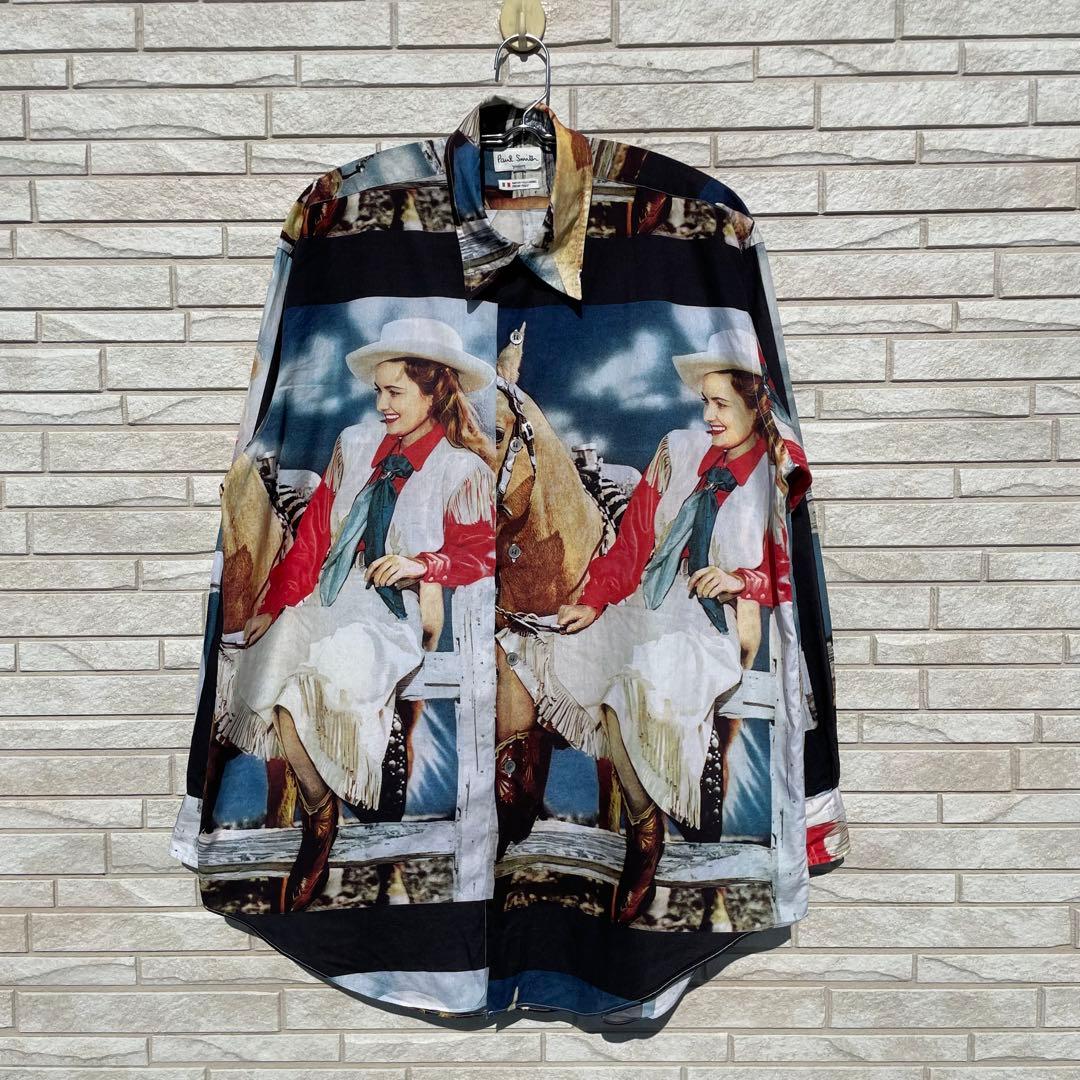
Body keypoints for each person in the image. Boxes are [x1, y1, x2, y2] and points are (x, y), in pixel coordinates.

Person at [496, 325, 809, 924]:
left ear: (755, 406)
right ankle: (516, 802)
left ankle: (644, 833)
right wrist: (594, 599)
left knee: (624, 687)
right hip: (647, 608)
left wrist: (741, 581)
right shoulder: (679, 450)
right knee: (528, 644)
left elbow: (786, 575)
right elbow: (635, 542)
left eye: (722, 405)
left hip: (708, 626)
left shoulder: (773, 469)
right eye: (705, 403)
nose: (709, 416)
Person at [231, 316, 496, 913]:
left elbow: (480, 554)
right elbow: (313, 538)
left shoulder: (462, 470)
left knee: (306, 682)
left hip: (387, 617)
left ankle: (325, 818)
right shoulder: (353, 446)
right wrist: (275, 605)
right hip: (328, 601)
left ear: (434, 392)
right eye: (378, 391)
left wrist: (423, 564)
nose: (381, 405)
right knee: (267, 669)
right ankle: (321, 807)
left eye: (395, 391)